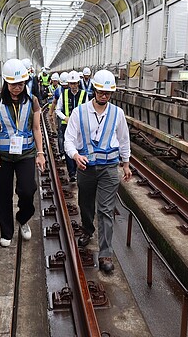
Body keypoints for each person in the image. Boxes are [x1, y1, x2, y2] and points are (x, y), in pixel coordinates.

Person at [64, 69, 132, 273]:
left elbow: (123, 140)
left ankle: (105, 254)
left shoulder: (117, 114)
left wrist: (126, 164)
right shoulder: (79, 112)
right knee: (85, 203)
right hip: (86, 168)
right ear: (94, 89)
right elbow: (68, 139)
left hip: (109, 169)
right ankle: (87, 228)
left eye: (108, 93)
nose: (104, 96)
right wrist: (75, 156)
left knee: (105, 210)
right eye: (101, 92)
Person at [0, 59, 46, 247]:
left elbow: (36, 128)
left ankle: (23, 218)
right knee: (3, 194)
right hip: (3, 156)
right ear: (6, 82)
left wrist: (40, 153)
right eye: (13, 84)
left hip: (26, 154)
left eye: (20, 83)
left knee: (27, 190)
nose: (17, 88)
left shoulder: (33, 100)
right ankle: (6, 231)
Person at [55, 70, 88, 182]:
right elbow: (57, 110)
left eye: (75, 83)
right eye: (71, 83)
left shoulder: (84, 94)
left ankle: (80, 169)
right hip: (66, 126)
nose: (73, 86)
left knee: (79, 147)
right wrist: (65, 118)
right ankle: (72, 173)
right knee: (69, 147)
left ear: (78, 83)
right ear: (68, 84)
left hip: (80, 127)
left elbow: (88, 110)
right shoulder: (63, 94)